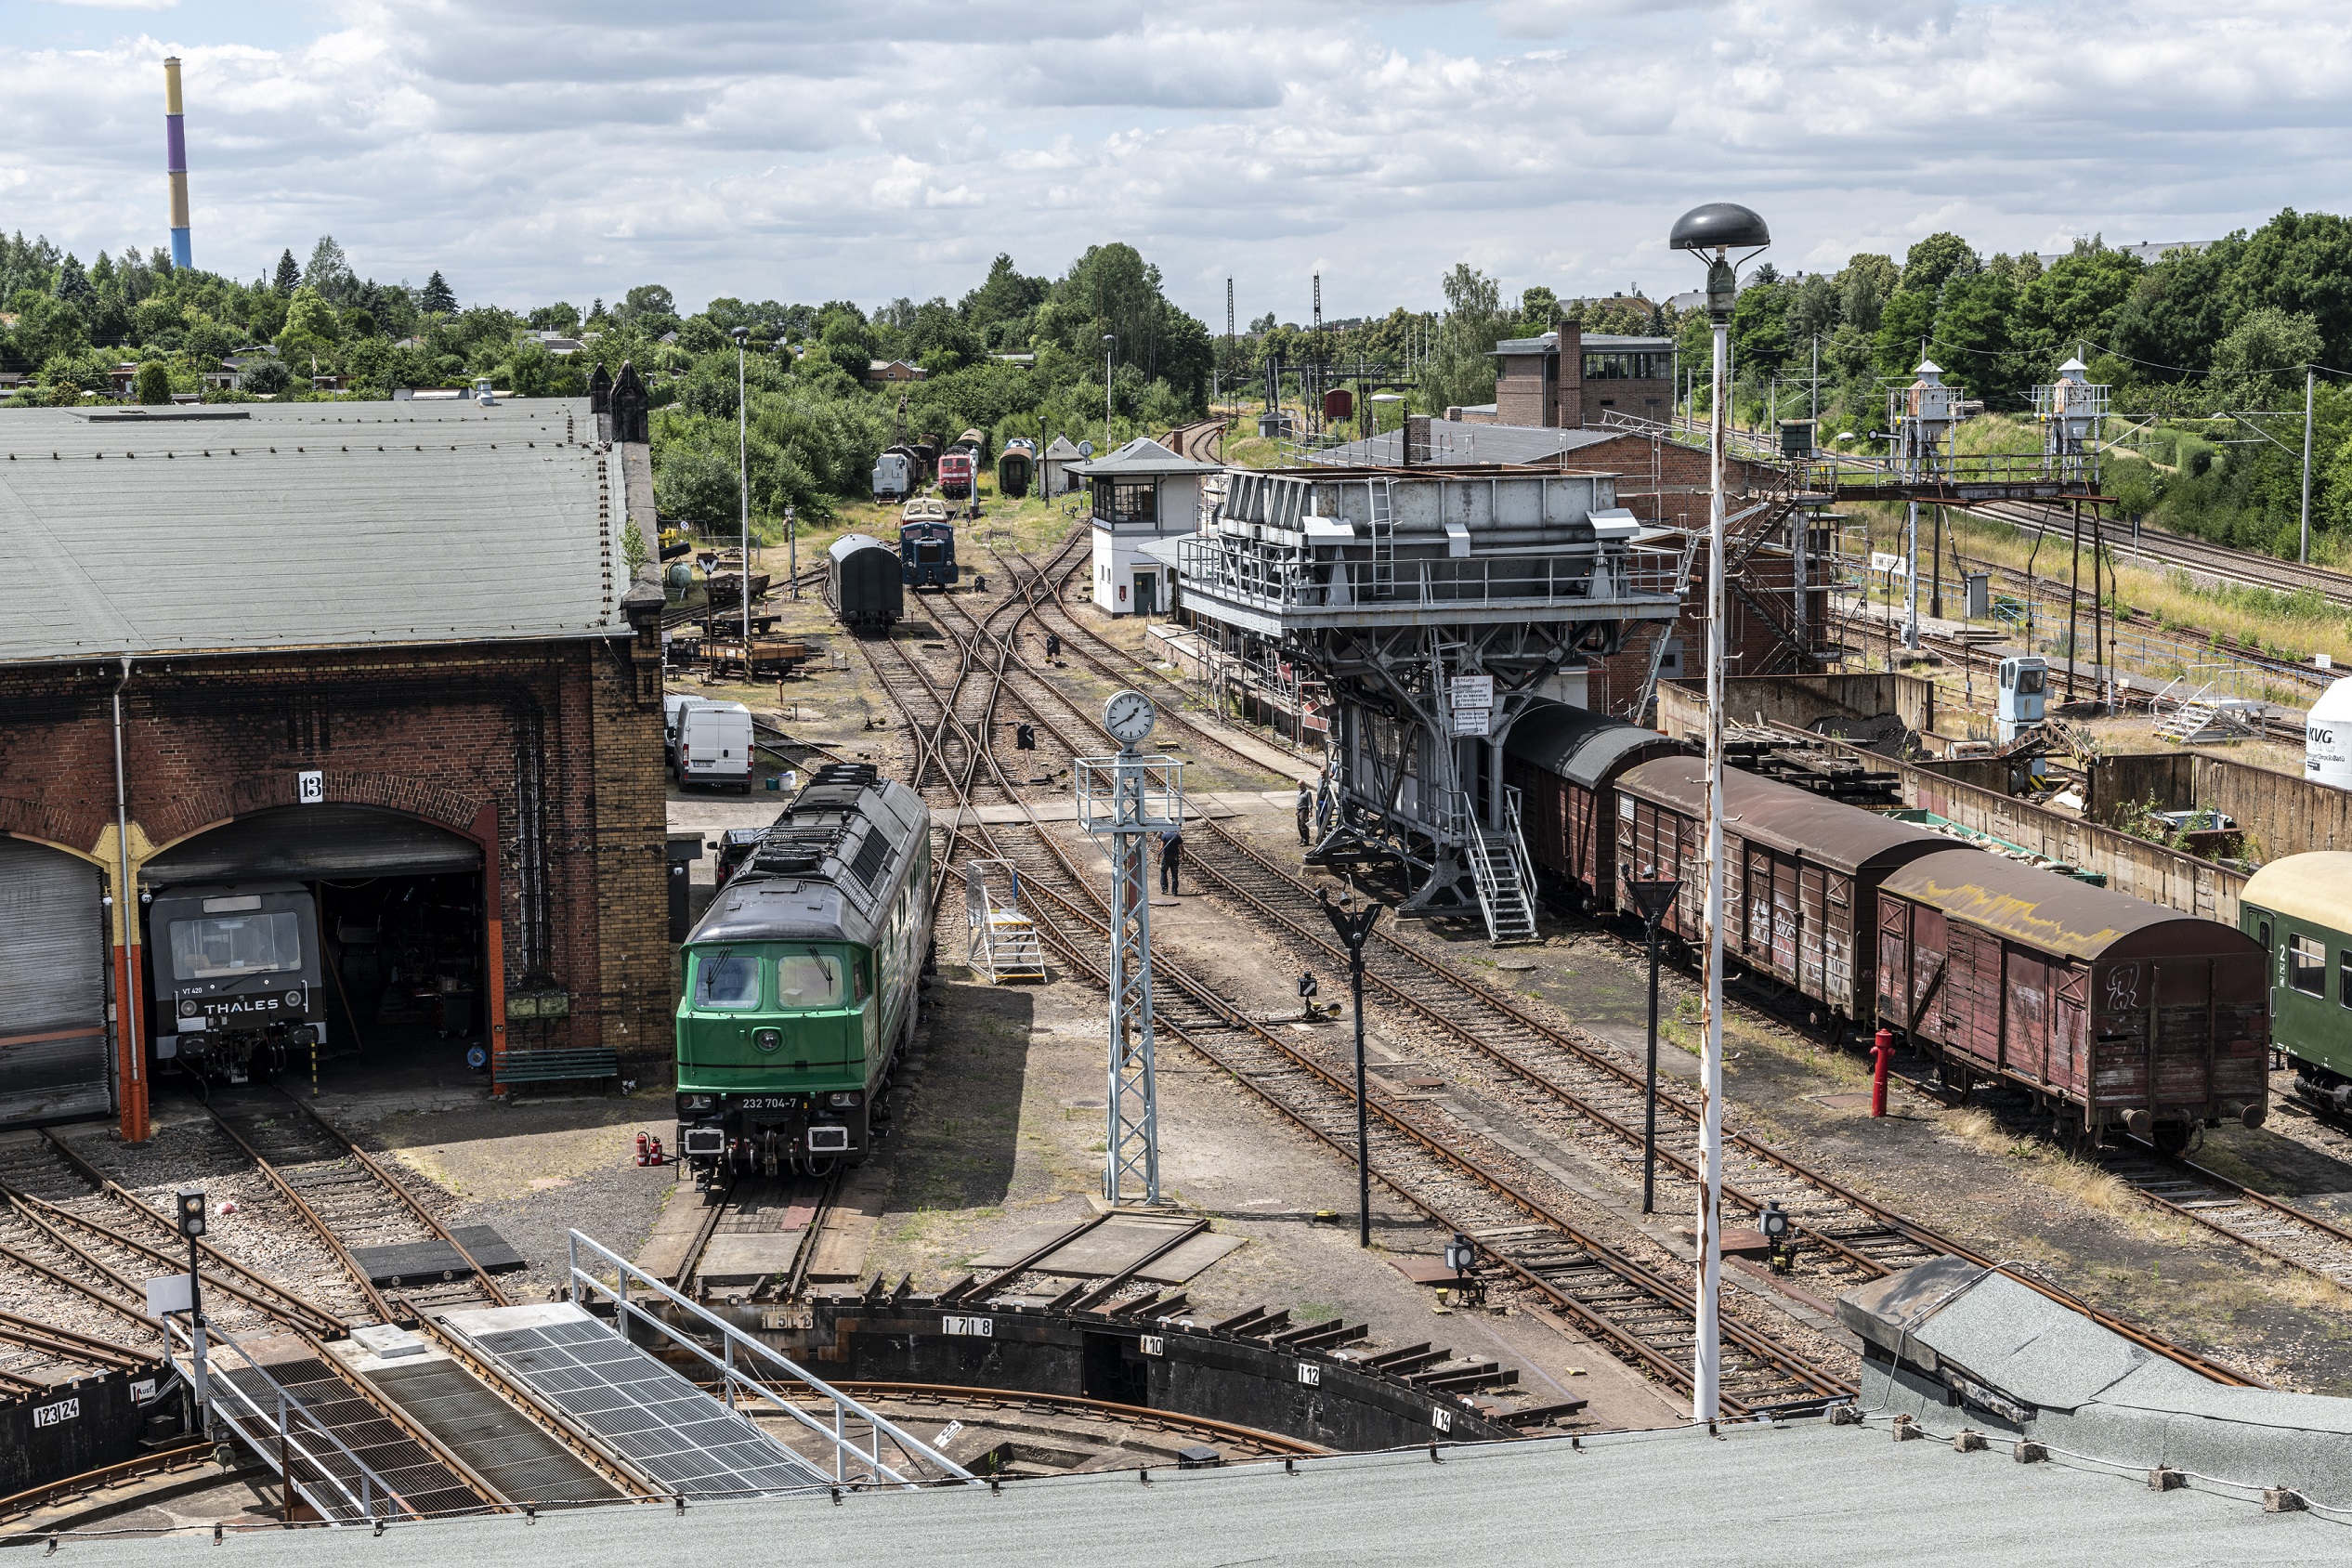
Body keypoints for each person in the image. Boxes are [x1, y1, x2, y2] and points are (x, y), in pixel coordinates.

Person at [1159, 828, 1183, 895]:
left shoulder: (1164, 835)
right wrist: (1183, 856)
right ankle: (1174, 891)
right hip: (1175, 858)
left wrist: (1158, 857)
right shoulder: (1177, 836)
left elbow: (1161, 847)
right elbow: (1181, 847)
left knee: (1163, 871)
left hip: (1166, 857)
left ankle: (1164, 889)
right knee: (1174, 874)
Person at [1297, 781, 1313, 846]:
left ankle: (1306, 840)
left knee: (1303, 825)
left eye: (1300, 784)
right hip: (1299, 810)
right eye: (1298, 784)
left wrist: (1310, 811)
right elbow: (1298, 802)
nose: (1299, 786)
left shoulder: (1307, 793)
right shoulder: (1298, 792)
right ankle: (1302, 838)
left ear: (1303, 785)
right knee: (1299, 825)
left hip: (1304, 810)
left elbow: (1310, 802)